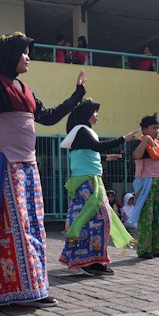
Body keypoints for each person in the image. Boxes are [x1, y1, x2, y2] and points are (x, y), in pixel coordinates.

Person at [0, 25, 86, 312]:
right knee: (7, 230)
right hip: (5, 164)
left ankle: (31, 288)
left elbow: (50, 116)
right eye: (25, 53)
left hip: (28, 169)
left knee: (32, 229)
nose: (29, 58)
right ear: (10, 56)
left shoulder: (24, 90)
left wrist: (78, 94)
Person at [58, 99, 137, 275]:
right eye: (94, 111)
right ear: (86, 113)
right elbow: (96, 147)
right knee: (99, 219)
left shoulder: (82, 132)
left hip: (87, 181)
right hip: (89, 184)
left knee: (92, 219)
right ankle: (88, 261)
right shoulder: (82, 130)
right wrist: (124, 139)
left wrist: (106, 158)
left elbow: (86, 154)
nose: (97, 115)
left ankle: (92, 260)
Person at [129, 113, 159, 259]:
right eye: (154, 128)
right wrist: (146, 141)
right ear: (144, 129)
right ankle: (144, 249)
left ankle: (157, 248)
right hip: (146, 182)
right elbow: (136, 156)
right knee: (146, 217)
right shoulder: (139, 142)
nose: (157, 131)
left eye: (158, 128)